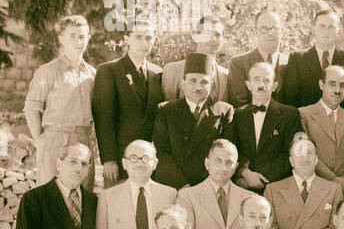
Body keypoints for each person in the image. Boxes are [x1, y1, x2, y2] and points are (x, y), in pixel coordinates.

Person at [26, 14, 98, 188]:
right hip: (55, 141)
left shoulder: (92, 74)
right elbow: (31, 108)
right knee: (52, 194)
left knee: (83, 194)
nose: (78, 41)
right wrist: (41, 141)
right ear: (61, 39)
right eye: (72, 36)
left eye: (82, 37)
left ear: (88, 39)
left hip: (83, 141)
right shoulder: (48, 71)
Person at [92, 18, 162, 184]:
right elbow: (103, 119)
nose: (144, 43)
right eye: (138, 37)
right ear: (127, 39)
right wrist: (109, 159)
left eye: (149, 37)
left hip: (148, 161)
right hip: (120, 159)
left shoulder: (158, 73)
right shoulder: (109, 71)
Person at [95, 140, 176, 229]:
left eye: (145, 158)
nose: (139, 163)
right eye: (133, 158)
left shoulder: (170, 194)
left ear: (155, 163)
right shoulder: (107, 197)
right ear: (124, 164)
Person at [151, 52, 235, 190]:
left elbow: (227, 154)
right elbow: (161, 152)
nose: (198, 87)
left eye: (204, 82)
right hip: (173, 186)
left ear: (211, 85)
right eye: (192, 81)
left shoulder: (224, 111)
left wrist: (205, 187)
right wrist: (183, 186)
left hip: (209, 188)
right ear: (183, 84)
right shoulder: (165, 110)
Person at [264, 138, 342, 229]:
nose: (305, 158)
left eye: (309, 153)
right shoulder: (272, 190)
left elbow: (336, 227)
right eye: (299, 153)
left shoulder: (334, 189)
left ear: (316, 159)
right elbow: (269, 227)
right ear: (291, 160)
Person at [176, 139, 252, 229]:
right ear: (207, 163)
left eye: (229, 162)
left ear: (236, 166)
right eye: (218, 161)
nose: (223, 167)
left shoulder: (250, 198)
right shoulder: (187, 196)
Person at [231, 60, 300, 192]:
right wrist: (246, 173)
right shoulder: (236, 115)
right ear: (248, 85)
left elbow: (290, 153)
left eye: (266, 80)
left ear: (274, 86)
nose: (261, 84)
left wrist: (261, 178)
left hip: (277, 186)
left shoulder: (290, 114)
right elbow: (231, 149)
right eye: (256, 80)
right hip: (242, 185)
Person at [281, 5, 344, 111]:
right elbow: (290, 99)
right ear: (313, 29)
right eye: (322, 26)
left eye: (331, 27)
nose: (326, 31)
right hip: (304, 123)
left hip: (341, 124)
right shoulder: (298, 58)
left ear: (338, 30)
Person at [298, 64, 344, 197]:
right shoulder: (303, 114)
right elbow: (305, 152)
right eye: (332, 84)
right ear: (321, 85)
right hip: (314, 187)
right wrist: (333, 179)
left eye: (342, 85)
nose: (337, 90)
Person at [227, 10, 287, 108]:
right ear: (255, 32)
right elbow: (239, 104)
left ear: (282, 32)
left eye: (275, 28)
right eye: (264, 29)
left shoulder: (291, 63)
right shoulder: (238, 63)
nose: (270, 33)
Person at [162, 17, 229, 102]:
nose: (213, 39)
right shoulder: (172, 70)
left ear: (223, 39)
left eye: (217, 35)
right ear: (195, 36)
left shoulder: (227, 76)